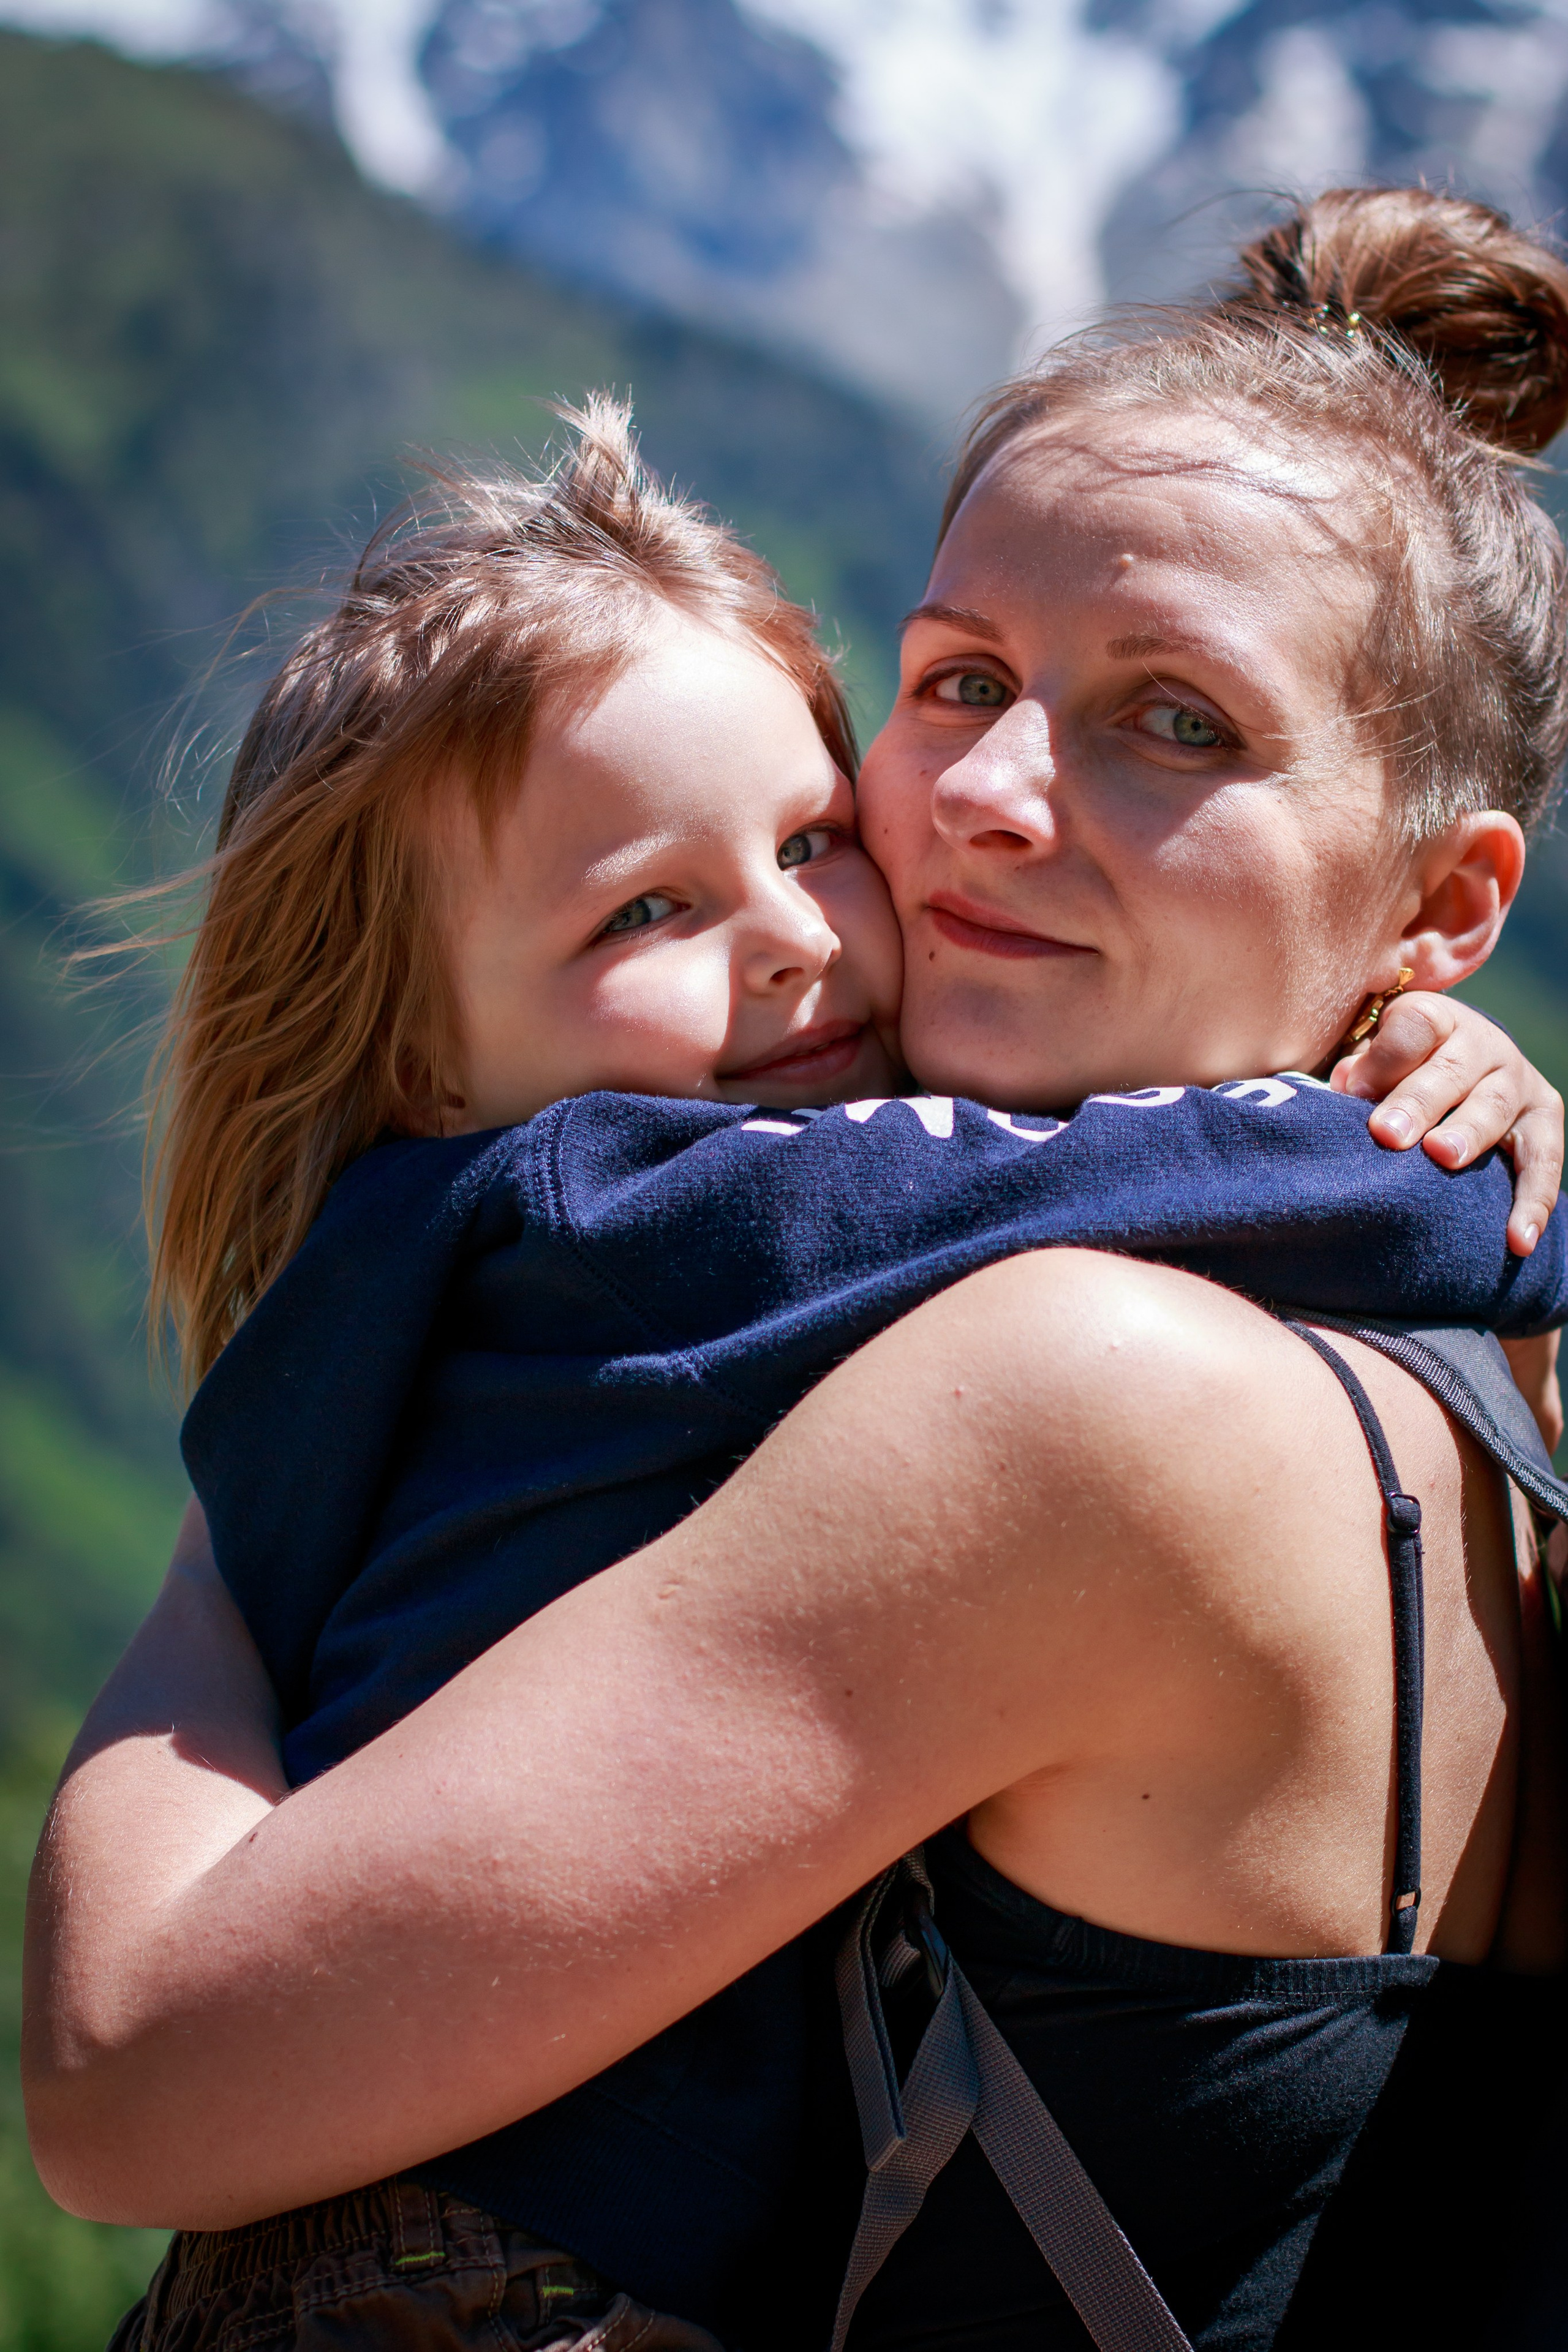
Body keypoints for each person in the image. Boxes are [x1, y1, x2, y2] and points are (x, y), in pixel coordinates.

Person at [24, 187, 1568, 2351]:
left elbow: (129, 2085)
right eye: (956, 684)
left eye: (1180, 723)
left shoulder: (1079, 1400)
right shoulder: (1493, 1385)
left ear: (1444, 900)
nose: (994, 801)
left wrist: (230, 1556)